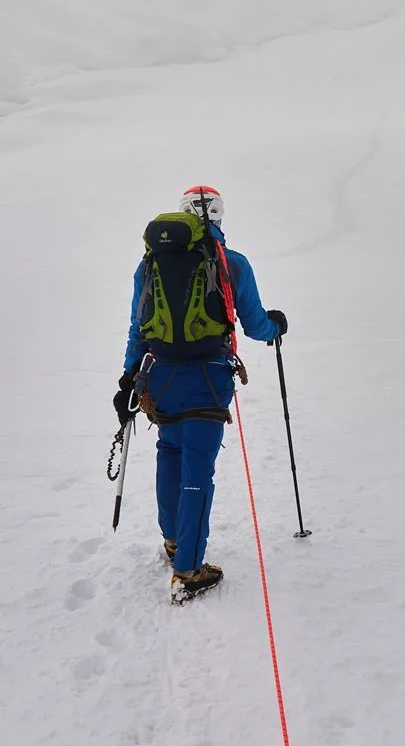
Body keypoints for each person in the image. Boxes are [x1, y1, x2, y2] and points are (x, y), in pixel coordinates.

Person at [113, 185, 287, 602]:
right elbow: (254, 323)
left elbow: (139, 327)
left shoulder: (149, 264)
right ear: (219, 218)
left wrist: (127, 377)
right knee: (197, 469)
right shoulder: (232, 263)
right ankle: (188, 569)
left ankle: (174, 540)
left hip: (161, 377)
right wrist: (275, 327)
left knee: (170, 451)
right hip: (209, 376)